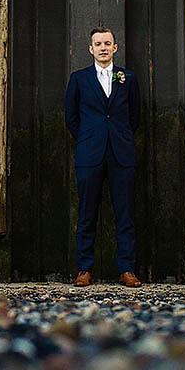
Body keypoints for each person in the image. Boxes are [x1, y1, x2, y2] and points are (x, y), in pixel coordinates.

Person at [64, 27, 142, 287]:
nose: (103, 48)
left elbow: (135, 116)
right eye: (98, 44)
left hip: (121, 154)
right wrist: (88, 138)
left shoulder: (127, 78)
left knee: (125, 213)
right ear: (91, 49)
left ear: (115, 47)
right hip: (90, 154)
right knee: (87, 214)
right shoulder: (79, 79)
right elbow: (71, 118)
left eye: (107, 43)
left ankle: (127, 269)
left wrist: (119, 137)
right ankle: (84, 269)